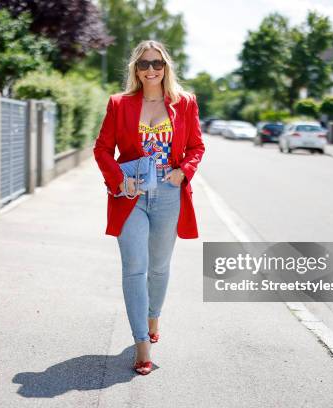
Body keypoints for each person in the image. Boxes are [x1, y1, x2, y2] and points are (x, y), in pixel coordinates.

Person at [93, 40, 205, 375]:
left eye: (157, 63)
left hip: (169, 193)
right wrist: (117, 180)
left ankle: (153, 315)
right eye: (144, 64)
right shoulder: (119, 104)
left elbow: (197, 146)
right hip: (130, 195)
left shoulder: (184, 103)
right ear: (135, 69)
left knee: (158, 267)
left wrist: (182, 172)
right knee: (134, 268)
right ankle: (142, 344)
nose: (151, 69)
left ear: (166, 66)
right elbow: (102, 150)